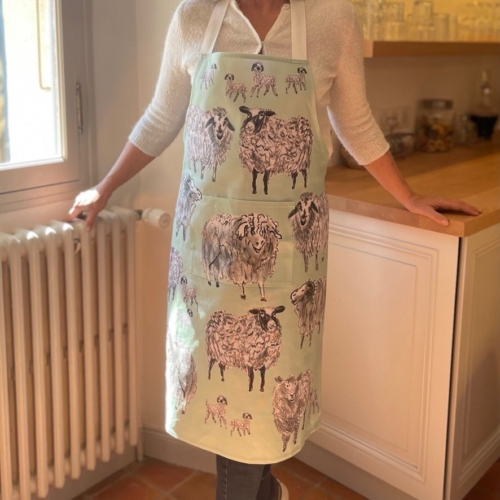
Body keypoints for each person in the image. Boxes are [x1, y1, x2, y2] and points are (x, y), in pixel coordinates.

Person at [69, 0, 480, 499]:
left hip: (283, 255)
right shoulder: (194, 17)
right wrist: (105, 187)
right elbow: (161, 116)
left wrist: (408, 197)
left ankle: (262, 492)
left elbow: (355, 123)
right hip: (209, 250)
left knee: (268, 383)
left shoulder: (332, 19)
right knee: (220, 371)